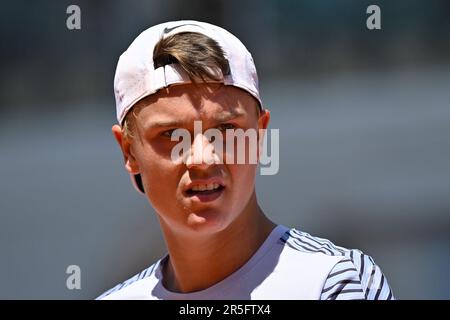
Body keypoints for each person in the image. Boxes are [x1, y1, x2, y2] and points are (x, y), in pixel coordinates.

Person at [97, 20, 394, 300]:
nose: (202, 158)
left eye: (226, 130)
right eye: (172, 135)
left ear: (259, 136)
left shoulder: (334, 282)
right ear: (129, 151)